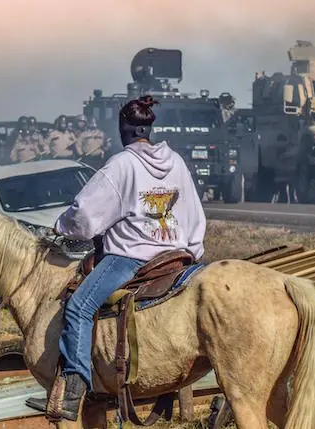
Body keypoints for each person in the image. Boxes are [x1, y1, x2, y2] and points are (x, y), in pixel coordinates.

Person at [47, 96, 207, 421]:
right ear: (149, 129)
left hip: (132, 258)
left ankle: (75, 388)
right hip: (176, 256)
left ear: (124, 130)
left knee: (78, 306)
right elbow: (193, 211)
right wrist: (192, 249)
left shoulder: (122, 164)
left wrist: (61, 226)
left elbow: (85, 215)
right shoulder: (175, 160)